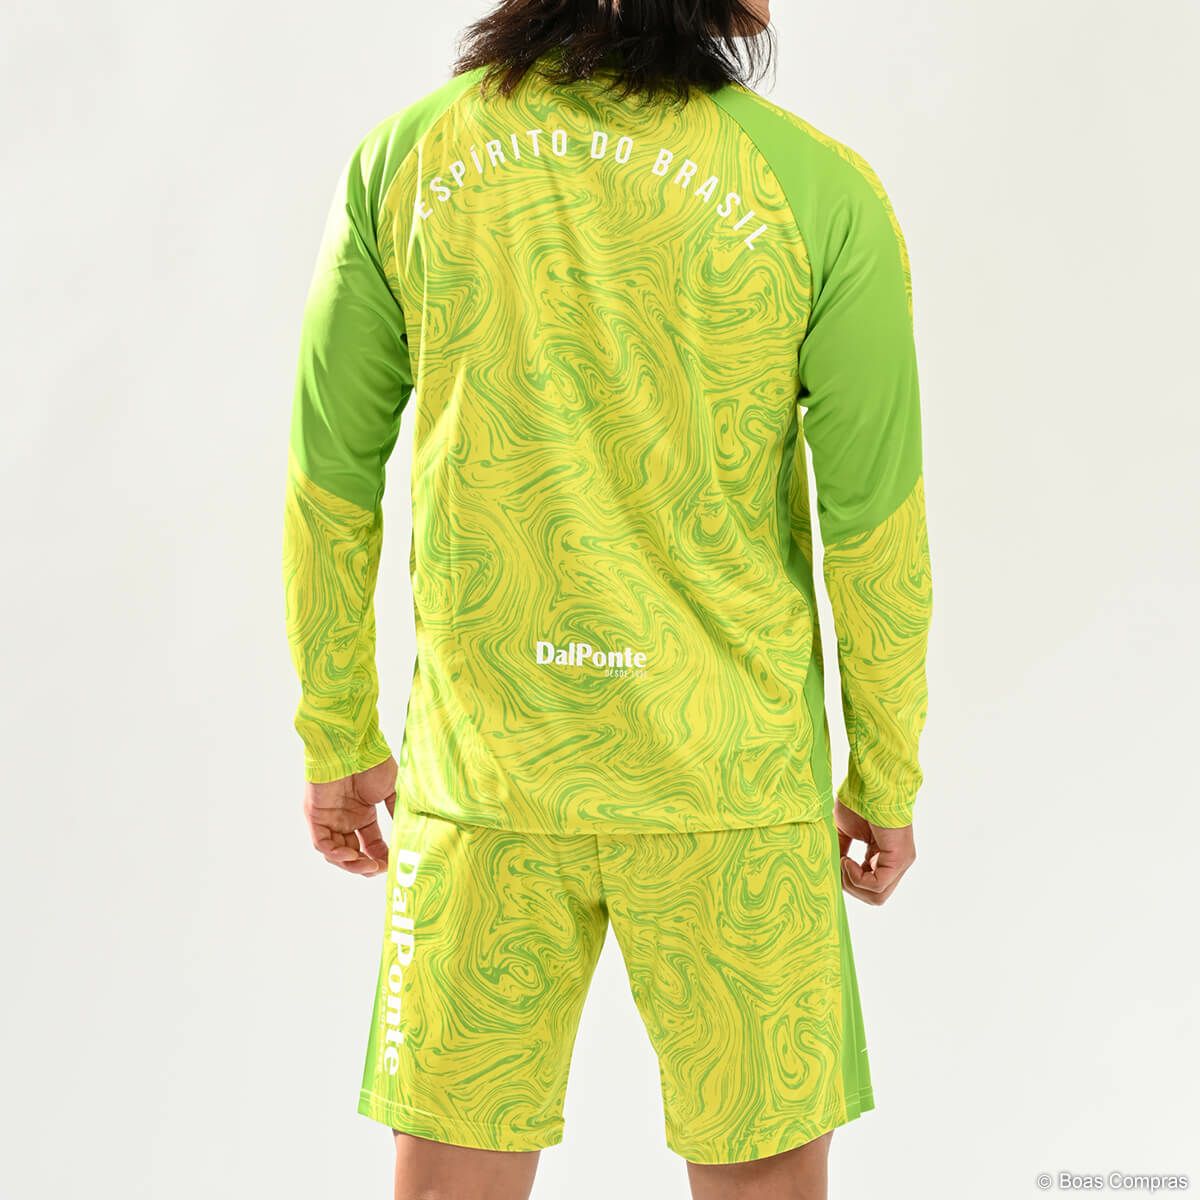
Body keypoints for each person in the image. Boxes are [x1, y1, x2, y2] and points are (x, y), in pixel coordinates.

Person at [282, 0, 933, 1195]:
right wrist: (884, 777)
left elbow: (330, 476)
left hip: (484, 784)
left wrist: (339, 733)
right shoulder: (818, 191)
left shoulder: (405, 160)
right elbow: (875, 523)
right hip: (731, 790)